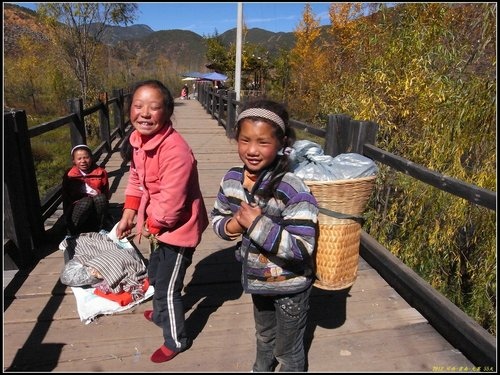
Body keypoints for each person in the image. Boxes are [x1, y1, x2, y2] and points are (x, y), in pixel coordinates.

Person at [211, 99, 319, 372]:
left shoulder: (292, 188)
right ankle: (261, 368)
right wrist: (235, 224)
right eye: (245, 140)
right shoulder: (232, 179)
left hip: (290, 286)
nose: (252, 150)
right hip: (258, 281)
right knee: (264, 334)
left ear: (281, 143)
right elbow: (217, 219)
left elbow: (303, 247)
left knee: (288, 350)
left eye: (263, 142)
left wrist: (257, 224)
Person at [116, 79, 209, 363]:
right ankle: (159, 313)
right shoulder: (137, 141)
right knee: (155, 275)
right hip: (156, 226)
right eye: (138, 106)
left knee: (169, 288)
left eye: (154, 108)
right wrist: (130, 213)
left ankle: (177, 339)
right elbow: (135, 179)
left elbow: (172, 203)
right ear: (129, 109)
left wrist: (149, 226)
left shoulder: (176, 151)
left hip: (177, 231)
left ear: (167, 112)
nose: (145, 113)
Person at [62, 144, 110, 236]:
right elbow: (65, 196)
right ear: (74, 161)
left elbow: (106, 193)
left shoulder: (101, 172)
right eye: (79, 159)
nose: (83, 161)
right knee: (86, 201)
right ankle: (71, 231)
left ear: (91, 158)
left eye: (86, 158)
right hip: (78, 208)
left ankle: (101, 227)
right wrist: (66, 216)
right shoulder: (69, 175)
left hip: (96, 207)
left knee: (101, 198)